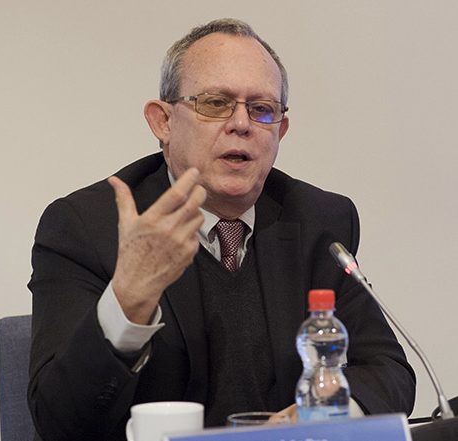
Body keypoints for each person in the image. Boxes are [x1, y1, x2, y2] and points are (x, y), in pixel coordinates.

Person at [28, 18, 415, 441]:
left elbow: (388, 372)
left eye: (262, 109)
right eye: (216, 103)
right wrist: (129, 300)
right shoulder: (87, 227)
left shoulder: (319, 220)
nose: (241, 124)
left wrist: (320, 413)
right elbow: (60, 422)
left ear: (280, 131)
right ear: (163, 122)